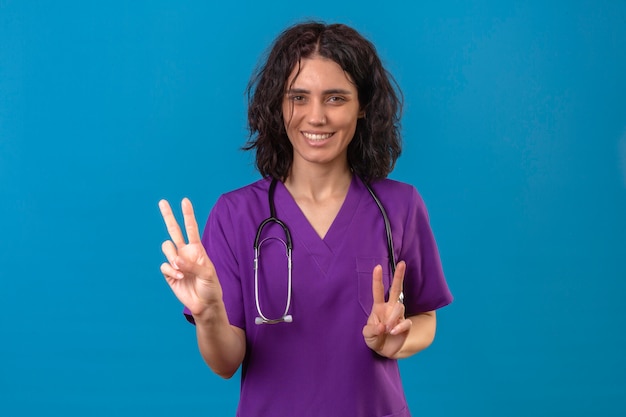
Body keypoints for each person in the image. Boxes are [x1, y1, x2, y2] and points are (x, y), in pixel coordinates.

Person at [158, 21, 453, 417]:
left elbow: (426, 319)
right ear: (278, 105)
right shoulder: (236, 215)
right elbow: (225, 363)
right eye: (298, 97)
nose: (316, 117)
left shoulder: (399, 207)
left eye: (335, 98)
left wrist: (399, 340)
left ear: (362, 105)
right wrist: (209, 313)